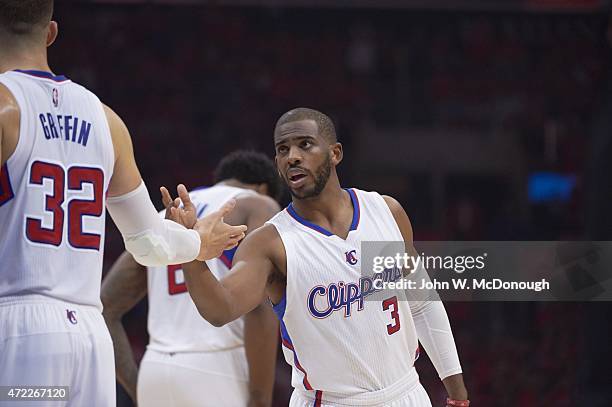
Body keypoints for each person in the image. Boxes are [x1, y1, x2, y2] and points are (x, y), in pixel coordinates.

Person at [0, 1, 245, 406]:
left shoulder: (6, 109)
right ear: (50, 33)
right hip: (89, 342)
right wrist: (198, 243)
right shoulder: (106, 120)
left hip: (21, 336)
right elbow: (148, 242)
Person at [165, 108, 470, 406]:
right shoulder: (271, 243)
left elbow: (422, 303)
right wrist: (191, 252)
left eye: (304, 144)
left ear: (335, 153)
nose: (292, 156)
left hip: (407, 394)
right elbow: (221, 309)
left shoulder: (386, 212)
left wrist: (457, 393)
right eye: (283, 150)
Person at [101, 151, 281, 407]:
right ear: (263, 188)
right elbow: (259, 308)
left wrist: (137, 385)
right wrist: (260, 398)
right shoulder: (258, 204)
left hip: (156, 366)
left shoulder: (169, 211)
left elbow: (106, 307)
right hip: (218, 367)